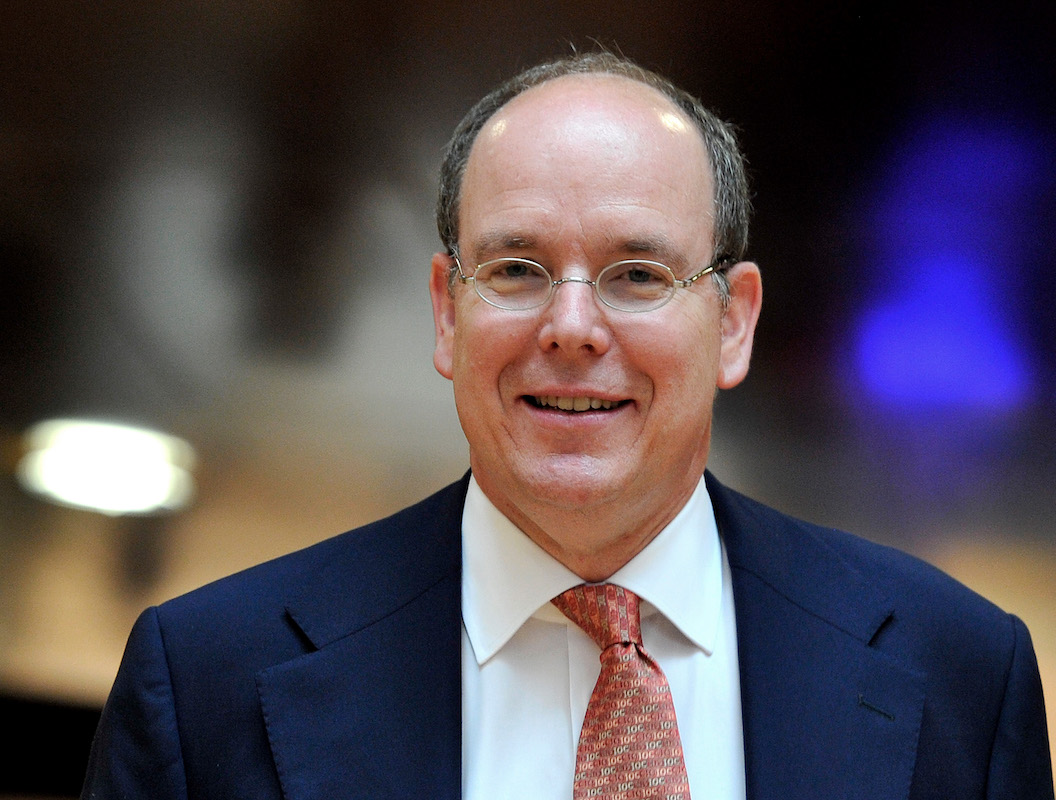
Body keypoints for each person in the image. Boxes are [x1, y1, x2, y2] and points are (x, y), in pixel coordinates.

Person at [81, 51, 1054, 800]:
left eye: (637, 274)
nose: (574, 327)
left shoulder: (958, 675)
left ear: (734, 319)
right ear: (445, 312)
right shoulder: (206, 682)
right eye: (516, 269)